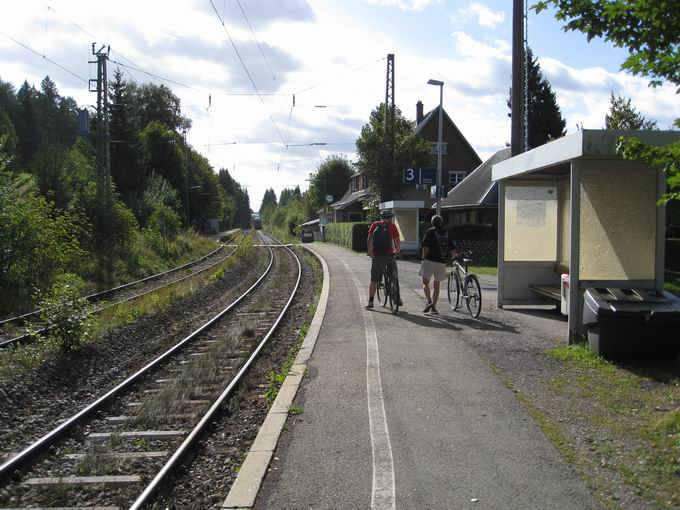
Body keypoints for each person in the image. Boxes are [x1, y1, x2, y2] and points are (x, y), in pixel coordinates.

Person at [419, 215, 455, 314]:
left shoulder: (429, 232)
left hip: (429, 260)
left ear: (432, 222)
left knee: (425, 283)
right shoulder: (446, 232)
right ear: (441, 222)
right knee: (437, 285)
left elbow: (425, 246)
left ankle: (429, 301)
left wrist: (423, 258)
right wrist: (454, 256)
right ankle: (434, 308)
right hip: (441, 262)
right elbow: (452, 248)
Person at [365, 210, 401, 309]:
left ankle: (370, 302)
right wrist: (397, 251)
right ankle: (397, 297)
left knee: (374, 279)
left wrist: (370, 252)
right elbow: (397, 241)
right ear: (389, 218)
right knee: (394, 276)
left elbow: (369, 239)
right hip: (390, 254)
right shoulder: (392, 226)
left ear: (381, 217)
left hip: (377, 255)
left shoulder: (374, 224)